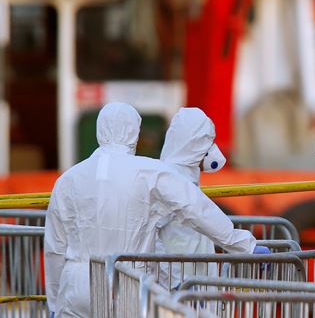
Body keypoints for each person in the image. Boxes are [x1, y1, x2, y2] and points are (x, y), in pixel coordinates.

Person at [44, 102, 267, 317]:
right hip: (127, 283)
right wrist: (244, 245)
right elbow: (197, 209)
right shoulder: (149, 172)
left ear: (99, 130)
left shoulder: (68, 179)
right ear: (134, 133)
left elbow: (55, 248)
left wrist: (54, 301)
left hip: (76, 285)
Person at [155, 107, 230, 288]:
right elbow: (151, 239)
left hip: (192, 285)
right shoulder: (168, 181)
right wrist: (175, 283)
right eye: (208, 143)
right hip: (177, 290)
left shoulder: (181, 178)